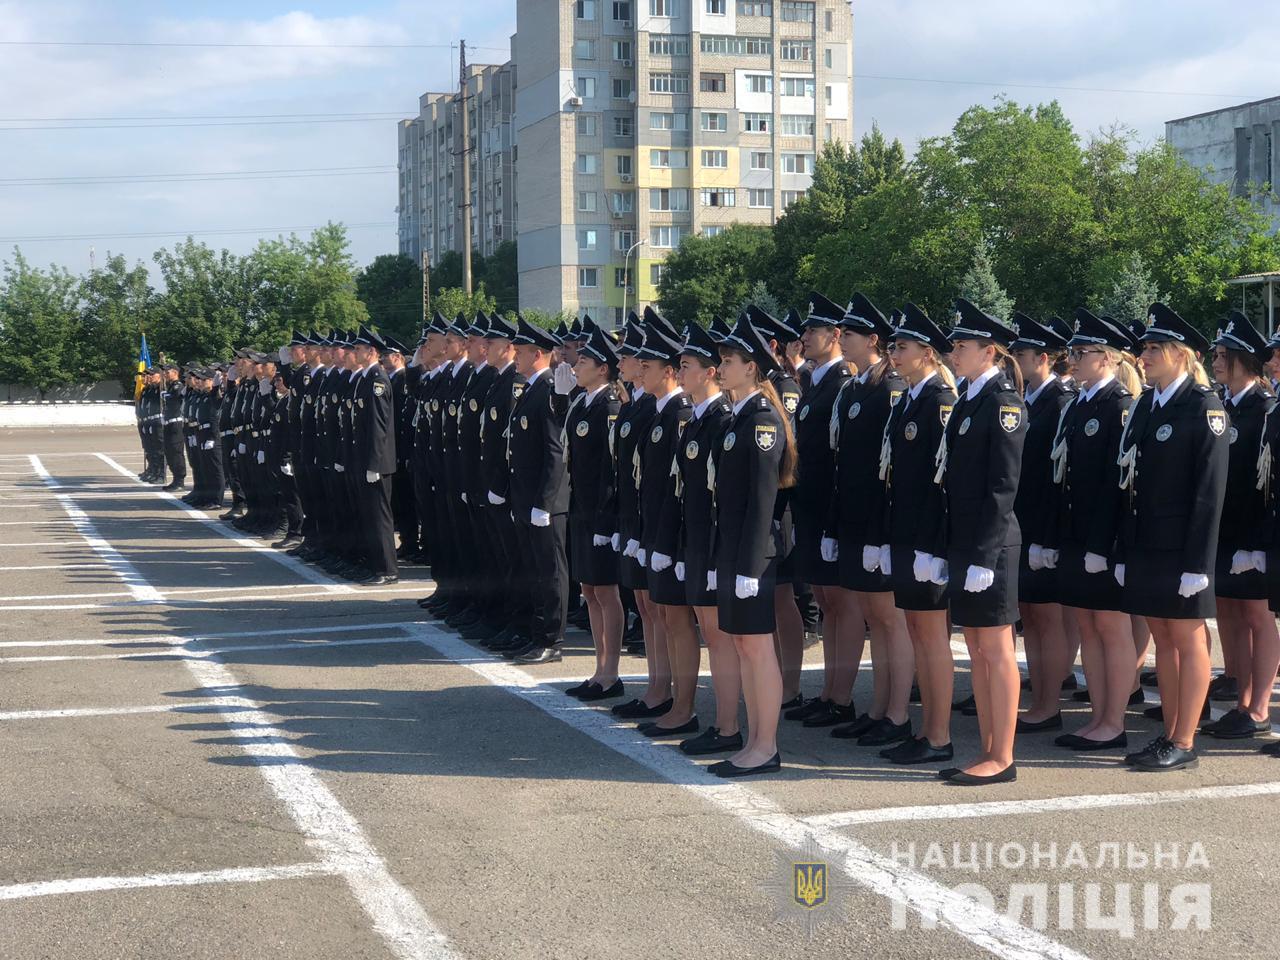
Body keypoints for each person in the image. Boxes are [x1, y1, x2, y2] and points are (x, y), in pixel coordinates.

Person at [1117, 303, 1229, 771]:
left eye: (1155, 347)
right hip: (1147, 542)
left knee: (1187, 639)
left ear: (1182, 354)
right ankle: (1168, 731)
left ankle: (1184, 740)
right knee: (1164, 638)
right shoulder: (1147, 403)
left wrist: (1198, 565)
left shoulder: (1204, 407)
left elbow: (1209, 492)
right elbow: (1130, 480)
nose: (1145, 355)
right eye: (1144, 347)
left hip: (1182, 548)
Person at [928, 299, 1027, 786]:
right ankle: (988, 747)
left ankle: (1002, 755)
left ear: (988, 351)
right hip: (967, 542)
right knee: (978, 649)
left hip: (992, 546)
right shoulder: (969, 398)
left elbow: (1002, 486)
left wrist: (984, 554)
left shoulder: (1003, 402)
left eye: (962, 345)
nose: (954, 352)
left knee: (995, 649)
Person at [1033, 310, 1140, 752]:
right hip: (1076, 538)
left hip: (1104, 542)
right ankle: (1097, 717)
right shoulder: (1080, 403)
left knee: (1110, 629)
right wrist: (1052, 538)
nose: (1073, 359)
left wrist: (1104, 546)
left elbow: (1119, 488)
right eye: (1073, 352)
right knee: (1088, 628)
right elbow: (1063, 479)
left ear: (1109, 359)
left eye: (1083, 352)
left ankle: (1114, 721)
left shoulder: (1120, 407)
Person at [705, 313, 796, 778]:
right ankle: (753, 741)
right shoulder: (738, 417)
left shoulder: (762, 422)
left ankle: (766, 745)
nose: (721, 368)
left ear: (752, 368)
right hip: (735, 550)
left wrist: (747, 566)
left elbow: (763, 500)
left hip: (752, 556)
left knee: (757, 649)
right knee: (743, 646)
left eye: (728, 361)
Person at [868, 303, 958, 765]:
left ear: (926, 352)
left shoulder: (941, 400)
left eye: (901, 347)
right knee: (919, 636)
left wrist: (932, 547)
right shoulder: (912, 397)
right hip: (904, 536)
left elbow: (939, 484)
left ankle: (938, 736)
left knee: (931, 638)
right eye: (892, 346)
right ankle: (926, 731)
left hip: (925, 541)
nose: (893, 354)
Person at [825, 293, 913, 747]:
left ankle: (897, 713)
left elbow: (891, 468)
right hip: (856, 518)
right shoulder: (855, 387)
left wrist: (879, 533)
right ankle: (878, 707)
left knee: (889, 618)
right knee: (871, 617)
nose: (845, 339)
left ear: (872, 340)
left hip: (881, 522)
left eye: (852, 334)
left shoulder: (890, 387)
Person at [664, 322, 741, 755]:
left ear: (709, 373)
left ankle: (727, 725)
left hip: (712, 545)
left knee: (718, 637)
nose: (681, 370)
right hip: (693, 543)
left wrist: (711, 555)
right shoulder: (697, 419)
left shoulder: (719, 420)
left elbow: (720, 498)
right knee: (705, 631)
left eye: (687, 365)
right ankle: (694, 711)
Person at [1202, 311, 1278, 740]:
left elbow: (1264, 482)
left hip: (1251, 532)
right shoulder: (1222, 404)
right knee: (1228, 612)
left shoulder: (1263, 409)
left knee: (1256, 615)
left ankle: (1259, 706)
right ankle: (1239, 694)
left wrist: (1256, 544)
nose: (1215, 361)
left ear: (1244, 361)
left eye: (1223, 355)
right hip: (1223, 528)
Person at [1008, 313, 1077, 734]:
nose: (1014, 359)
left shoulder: (1061, 402)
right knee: (1030, 616)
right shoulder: (1028, 398)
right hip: (1022, 521)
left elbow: (1059, 477)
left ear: (1044, 358)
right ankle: (1039, 699)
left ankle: (1050, 704)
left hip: (1044, 525)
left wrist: (1049, 536)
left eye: (1021, 353)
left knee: (1047, 618)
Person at [793, 293, 858, 729]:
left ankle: (842, 695)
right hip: (810, 504)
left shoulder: (840, 384)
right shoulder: (817, 381)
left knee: (841, 604)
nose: (805, 338)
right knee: (825, 600)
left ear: (834, 336)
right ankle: (829, 691)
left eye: (814, 331)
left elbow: (839, 456)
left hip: (829, 506)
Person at [609, 319, 669, 717]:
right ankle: (655, 688)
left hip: (658, 528)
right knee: (647, 609)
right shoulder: (644, 405)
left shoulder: (670, 411)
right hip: (638, 521)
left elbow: (664, 484)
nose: (632, 368)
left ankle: (664, 692)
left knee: (660, 612)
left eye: (644, 364)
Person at [563, 324, 626, 700]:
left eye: (583, 361)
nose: (576, 366)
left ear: (603, 369)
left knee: (606, 591)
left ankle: (611, 672)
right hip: (581, 510)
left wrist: (606, 519)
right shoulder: (582, 401)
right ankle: (599, 668)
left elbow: (611, 470)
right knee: (589, 589)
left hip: (600, 514)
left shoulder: (609, 407)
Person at [504, 314, 571, 663]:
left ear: (538, 354)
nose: (516, 355)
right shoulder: (530, 389)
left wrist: (545, 502)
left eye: (522, 350)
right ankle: (535, 633)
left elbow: (555, 452)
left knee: (550, 571)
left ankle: (551, 639)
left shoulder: (547, 391)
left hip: (545, 502)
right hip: (527, 498)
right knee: (533, 570)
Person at [350, 327, 399, 586]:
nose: (354, 353)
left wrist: (374, 462)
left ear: (371, 352)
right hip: (366, 459)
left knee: (379, 517)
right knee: (369, 515)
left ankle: (388, 569)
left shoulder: (378, 379)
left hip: (377, 462)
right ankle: (375, 566)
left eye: (358, 349)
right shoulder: (365, 378)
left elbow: (379, 425)